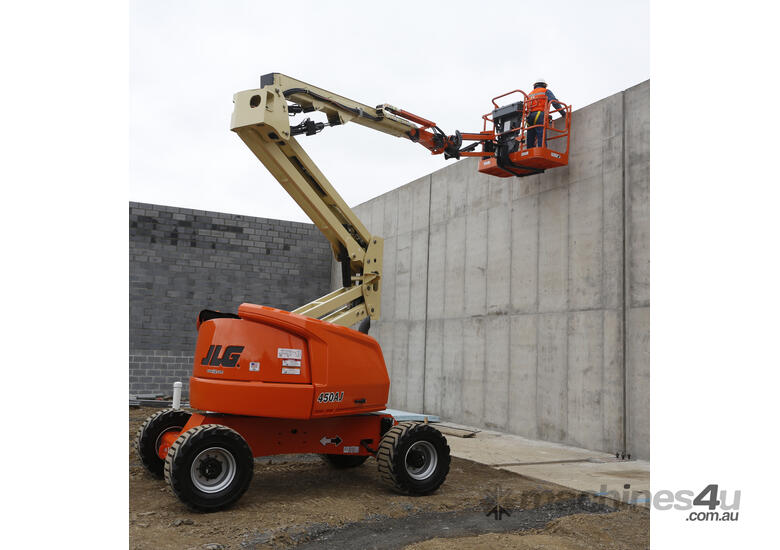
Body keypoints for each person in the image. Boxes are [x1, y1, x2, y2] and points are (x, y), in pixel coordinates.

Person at [526, 78, 565, 149]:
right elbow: (554, 102)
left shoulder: (529, 94)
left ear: (535, 85)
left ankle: (529, 151)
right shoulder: (545, 91)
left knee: (530, 137)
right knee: (541, 134)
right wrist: (563, 113)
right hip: (539, 115)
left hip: (529, 117)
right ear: (544, 85)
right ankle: (542, 150)